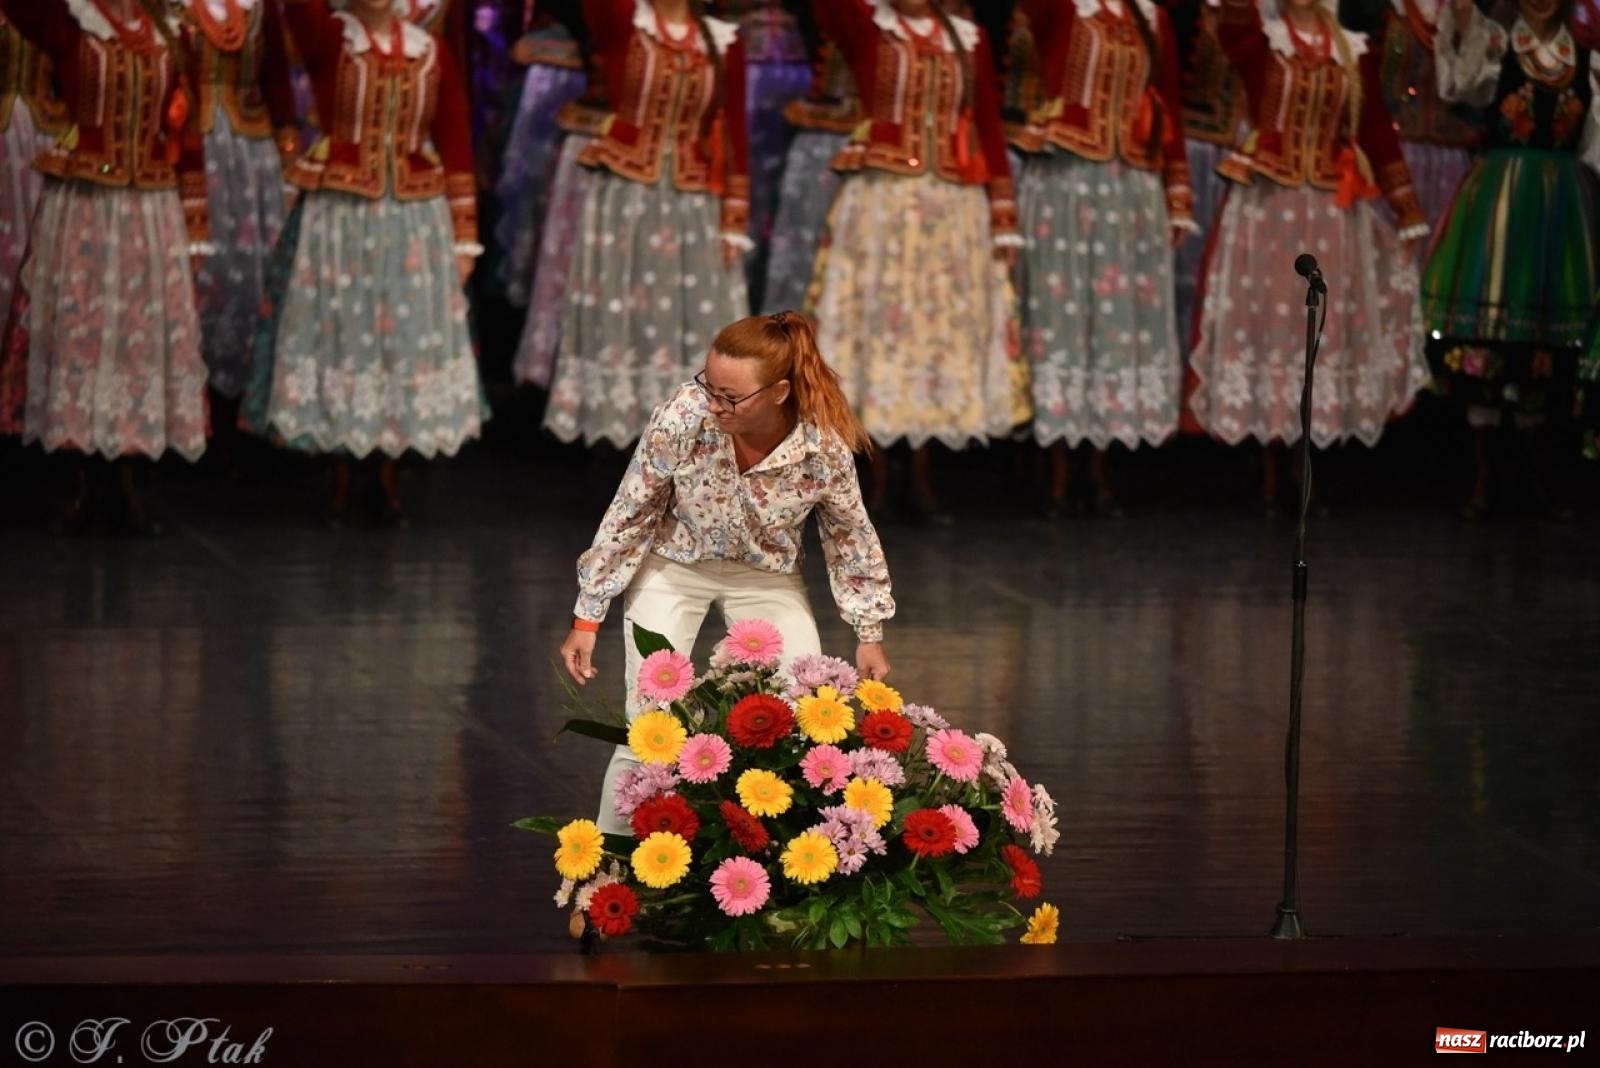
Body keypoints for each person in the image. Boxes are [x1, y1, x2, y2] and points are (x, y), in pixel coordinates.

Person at [559, 311, 894, 835]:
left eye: (730, 397)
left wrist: (868, 633)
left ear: (780, 392)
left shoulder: (821, 446)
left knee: (805, 711)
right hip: (675, 565)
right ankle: (604, 876)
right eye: (709, 386)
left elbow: (850, 537)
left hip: (765, 576)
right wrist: (587, 614)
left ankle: (789, 871)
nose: (714, 404)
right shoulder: (684, 416)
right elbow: (632, 509)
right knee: (650, 726)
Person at [244, 0, 485, 525]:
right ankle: (342, 468)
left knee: (398, 341)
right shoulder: (332, 39)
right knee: (343, 335)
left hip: (412, 221)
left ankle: (385, 469)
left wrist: (465, 234)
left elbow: (455, 142)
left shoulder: (431, 51)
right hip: (342, 218)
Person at [1187, 0, 1431, 508]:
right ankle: (1269, 465)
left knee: (1314, 331)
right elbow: (1233, 27)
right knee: (1271, 332)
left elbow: (1374, 132)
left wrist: (1405, 208)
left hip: (1327, 212)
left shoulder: (1352, 51)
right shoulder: (1265, 43)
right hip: (1269, 208)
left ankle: (1304, 465)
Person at [806, 0, 1026, 521]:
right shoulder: (870, 26)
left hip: (952, 207)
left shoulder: (967, 37)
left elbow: (988, 124)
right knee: (880, 334)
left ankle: (924, 477)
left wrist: (1003, 212)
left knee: (933, 338)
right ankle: (875, 479)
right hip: (883, 203)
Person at [0, 0, 213, 532]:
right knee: (84, 335)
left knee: (135, 339)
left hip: (148, 209)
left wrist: (194, 216)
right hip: (88, 204)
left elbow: (187, 129)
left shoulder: (170, 31)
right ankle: (83, 479)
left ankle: (124, 477)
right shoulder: (70, 18)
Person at [1013, 0, 1196, 518]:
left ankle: (1099, 468)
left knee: (1116, 327)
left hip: (1129, 189)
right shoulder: (1066, 9)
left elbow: (1168, 106)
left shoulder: (1152, 16)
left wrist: (1177, 191)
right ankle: (1055, 470)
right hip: (1066, 183)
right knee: (1060, 320)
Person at [540, 0, 751, 449]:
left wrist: (734, 215)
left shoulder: (721, 40)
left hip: (693, 204)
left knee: (692, 319)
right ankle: (620, 440)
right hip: (626, 198)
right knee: (624, 315)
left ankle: (686, 439)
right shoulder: (626, 23)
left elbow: (732, 127)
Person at [1426, 0, 1598, 515]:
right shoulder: (1497, 47)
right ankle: (1483, 474)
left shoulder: (1587, 61)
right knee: (1489, 330)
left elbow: (1594, 143)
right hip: (1502, 202)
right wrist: (1460, 25)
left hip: (1560, 205)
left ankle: (1534, 473)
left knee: (1545, 336)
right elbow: (1460, 87)